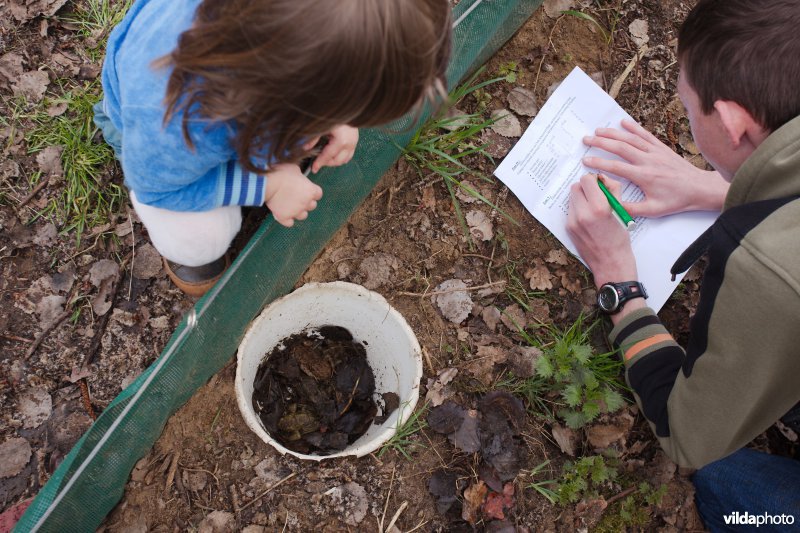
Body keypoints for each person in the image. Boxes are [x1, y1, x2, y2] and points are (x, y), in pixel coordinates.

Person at [566, 0, 800, 529]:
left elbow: (688, 434)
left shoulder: (769, 271)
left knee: (726, 485)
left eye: (690, 107)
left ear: (734, 122)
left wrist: (618, 283)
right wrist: (721, 187)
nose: (686, 116)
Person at [94, 0, 451, 296]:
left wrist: (343, 115)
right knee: (203, 235)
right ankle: (192, 253)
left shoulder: (283, 43)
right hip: (161, 159)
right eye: (335, 112)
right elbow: (159, 189)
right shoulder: (176, 121)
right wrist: (269, 184)